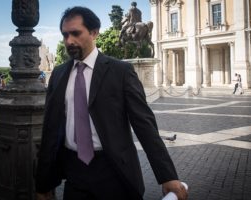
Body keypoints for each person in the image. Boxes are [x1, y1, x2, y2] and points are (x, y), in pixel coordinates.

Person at [35, 6, 188, 200]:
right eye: (65, 35)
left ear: (94, 32)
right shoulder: (58, 74)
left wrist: (168, 176)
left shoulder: (121, 72)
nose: (69, 41)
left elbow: (145, 126)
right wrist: (43, 184)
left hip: (115, 172)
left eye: (75, 33)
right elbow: (50, 129)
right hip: (74, 172)